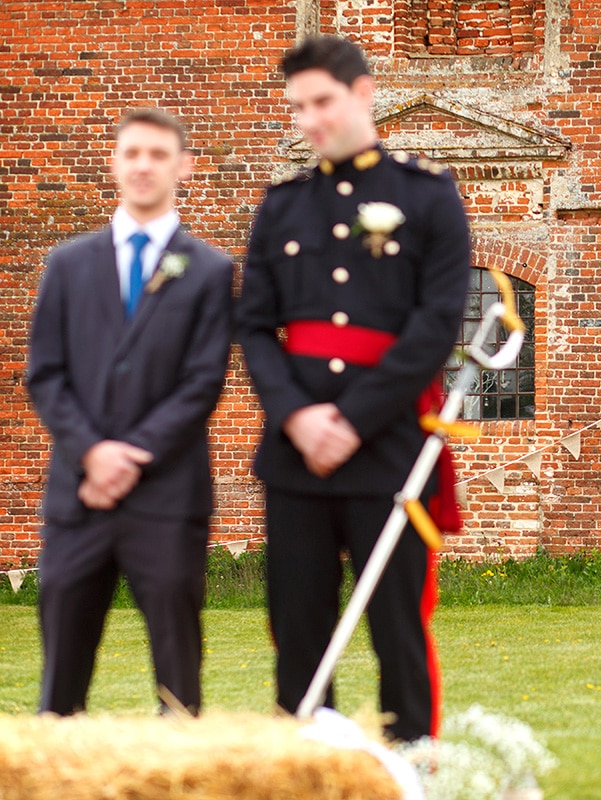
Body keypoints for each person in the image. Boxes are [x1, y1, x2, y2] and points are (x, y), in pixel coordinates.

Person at [236, 35, 470, 741]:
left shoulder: (427, 197)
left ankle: (415, 767)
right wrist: (300, 417)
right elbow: (253, 327)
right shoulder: (283, 206)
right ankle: (309, 769)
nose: (309, 120)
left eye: (322, 102)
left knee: (397, 623)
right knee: (298, 630)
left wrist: (353, 419)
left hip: (389, 447)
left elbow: (434, 327)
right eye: (297, 107)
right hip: (296, 455)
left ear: (362, 95)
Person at [26, 108, 234, 716]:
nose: (144, 165)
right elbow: (46, 373)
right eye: (132, 153)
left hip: (167, 497)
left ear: (184, 166)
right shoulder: (67, 265)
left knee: (177, 671)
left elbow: (203, 382)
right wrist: (93, 452)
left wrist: (132, 455)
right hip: (78, 494)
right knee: (61, 667)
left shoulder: (209, 271)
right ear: (114, 163)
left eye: (159, 154)